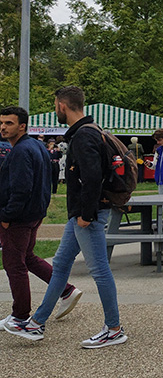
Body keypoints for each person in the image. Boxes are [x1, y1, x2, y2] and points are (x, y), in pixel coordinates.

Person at [6, 86, 127, 348]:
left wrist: (86, 214)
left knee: (99, 270)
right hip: (81, 215)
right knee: (60, 264)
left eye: (55, 104)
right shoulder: (90, 130)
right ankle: (37, 323)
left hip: (87, 215)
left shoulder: (83, 135)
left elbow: (93, 177)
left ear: (62, 105)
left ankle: (114, 329)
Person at [0, 106, 83, 332]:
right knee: (27, 257)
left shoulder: (20, 151)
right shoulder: (36, 145)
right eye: (2, 123)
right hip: (34, 213)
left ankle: (19, 316)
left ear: (22, 126)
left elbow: (21, 189)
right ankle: (66, 290)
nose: (3, 127)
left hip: (19, 217)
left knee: (14, 265)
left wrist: (6, 216)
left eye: (9, 123)